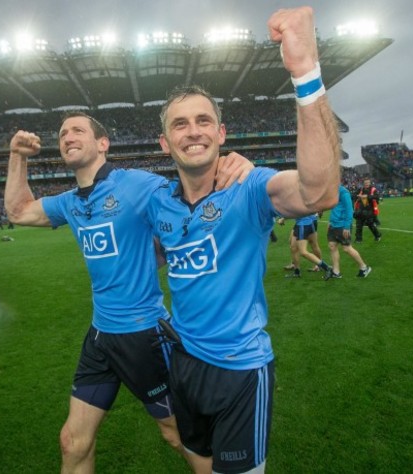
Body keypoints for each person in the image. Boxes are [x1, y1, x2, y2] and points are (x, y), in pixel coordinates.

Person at [146, 7, 340, 472]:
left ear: (221, 133)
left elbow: (320, 191)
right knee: (197, 464)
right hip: (182, 361)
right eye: (180, 124)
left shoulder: (249, 187)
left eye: (203, 121)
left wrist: (305, 74)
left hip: (240, 370)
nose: (193, 130)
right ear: (164, 143)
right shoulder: (158, 203)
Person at [4, 112, 251, 474]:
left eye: (77, 130)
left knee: (177, 434)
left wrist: (233, 165)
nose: (68, 137)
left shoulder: (136, 185)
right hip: (100, 336)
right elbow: (18, 211)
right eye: (62, 134)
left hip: (143, 336)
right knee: (73, 441)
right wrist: (17, 155)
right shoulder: (70, 202)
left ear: (102, 144)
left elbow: (192, 198)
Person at [325, 184, 372, 279]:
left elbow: (349, 210)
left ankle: (364, 267)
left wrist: (347, 226)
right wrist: (330, 221)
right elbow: (335, 209)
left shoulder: (344, 192)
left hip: (342, 225)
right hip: (333, 224)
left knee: (347, 248)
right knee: (332, 246)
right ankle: (336, 272)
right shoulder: (332, 191)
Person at [278, 214, 331, 278]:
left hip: (303, 224)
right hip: (305, 223)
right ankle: (297, 272)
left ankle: (327, 268)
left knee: (303, 252)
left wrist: (283, 219)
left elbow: (296, 211)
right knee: (293, 247)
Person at [354, 177, 381, 242]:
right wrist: (358, 196)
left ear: (370, 183)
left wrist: (367, 196)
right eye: (365, 183)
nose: (366, 184)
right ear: (363, 183)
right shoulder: (361, 189)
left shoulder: (373, 189)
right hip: (360, 209)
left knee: (370, 224)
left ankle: (377, 235)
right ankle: (358, 239)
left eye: (368, 183)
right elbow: (354, 195)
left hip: (369, 210)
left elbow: (377, 197)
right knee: (359, 224)